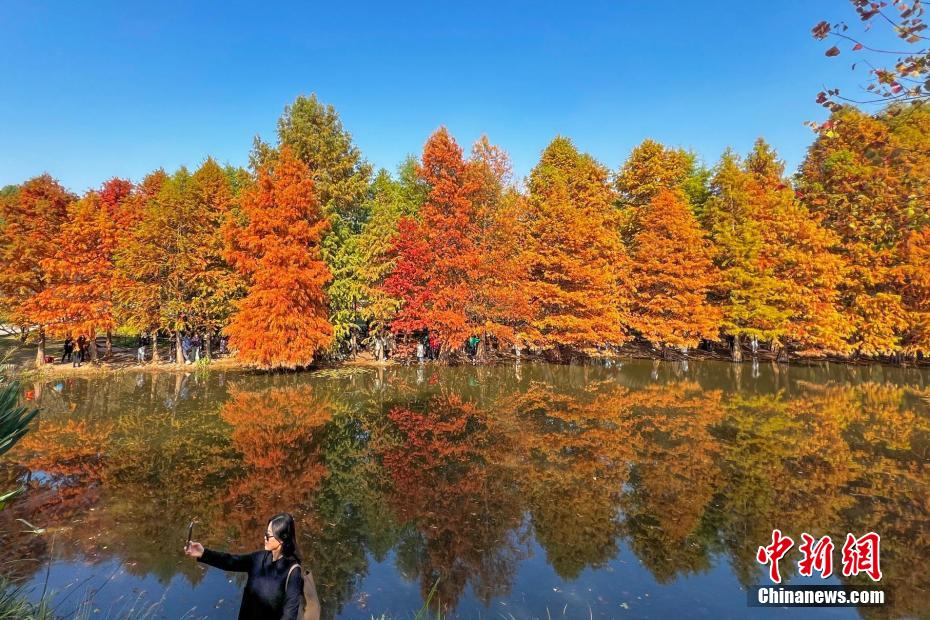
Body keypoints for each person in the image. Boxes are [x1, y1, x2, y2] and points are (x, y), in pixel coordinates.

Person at [185, 513, 304, 620]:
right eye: (265, 534)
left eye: (268, 535)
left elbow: (290, 614)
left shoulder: (292, 571)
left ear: (281, 539)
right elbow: (230, 561)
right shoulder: (259, 559)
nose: (264, 538)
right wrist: (203, 553)